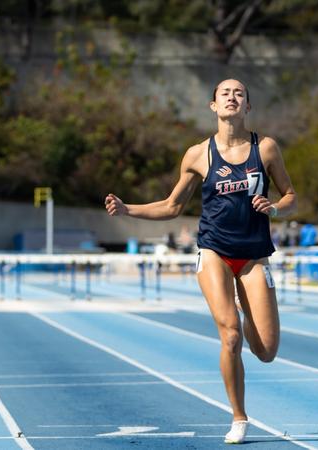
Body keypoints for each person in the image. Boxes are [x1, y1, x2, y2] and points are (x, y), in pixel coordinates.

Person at [105, 79, 296, 444]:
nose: (231, 97)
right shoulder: (197, 154)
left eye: (239, 93)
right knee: (230, 336)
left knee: (267, 352)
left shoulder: (266, 148)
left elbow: (292, 197)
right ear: (213, 106)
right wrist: (128, 208)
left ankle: (243, 303)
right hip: (215, 252)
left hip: (254, 256)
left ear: (248, 107)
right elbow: (172, 206)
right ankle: (239, 417)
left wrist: (275, 207)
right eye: (225, 93)